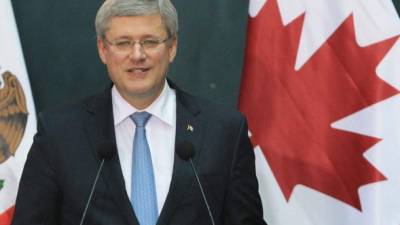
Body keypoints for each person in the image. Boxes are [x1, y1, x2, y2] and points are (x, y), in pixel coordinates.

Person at [11, 0, 267, 224]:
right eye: (123, 43)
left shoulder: (224, 130)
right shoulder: (59, 133)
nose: (137, 55)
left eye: (150, 41)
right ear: (103, 49)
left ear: (172, 46)